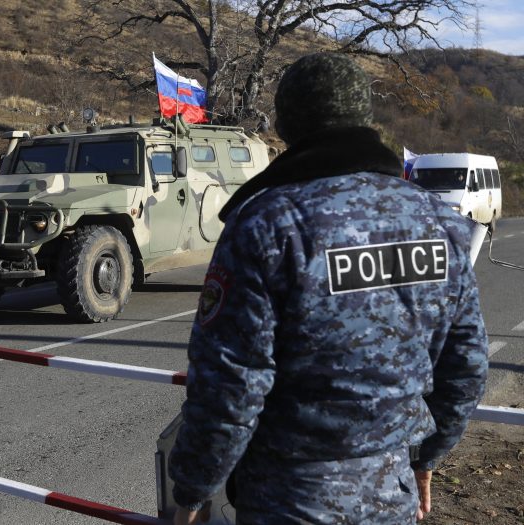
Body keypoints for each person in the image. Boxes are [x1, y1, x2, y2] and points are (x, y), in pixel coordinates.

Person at [169, 53, 488, 525]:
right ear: (365, 118)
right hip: (392, 491)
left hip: (288, 497)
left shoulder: (266, 223)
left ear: (287, 124)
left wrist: (193, 490)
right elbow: (466, 366)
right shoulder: (438, 221)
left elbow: (231, 384)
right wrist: (427, 458)